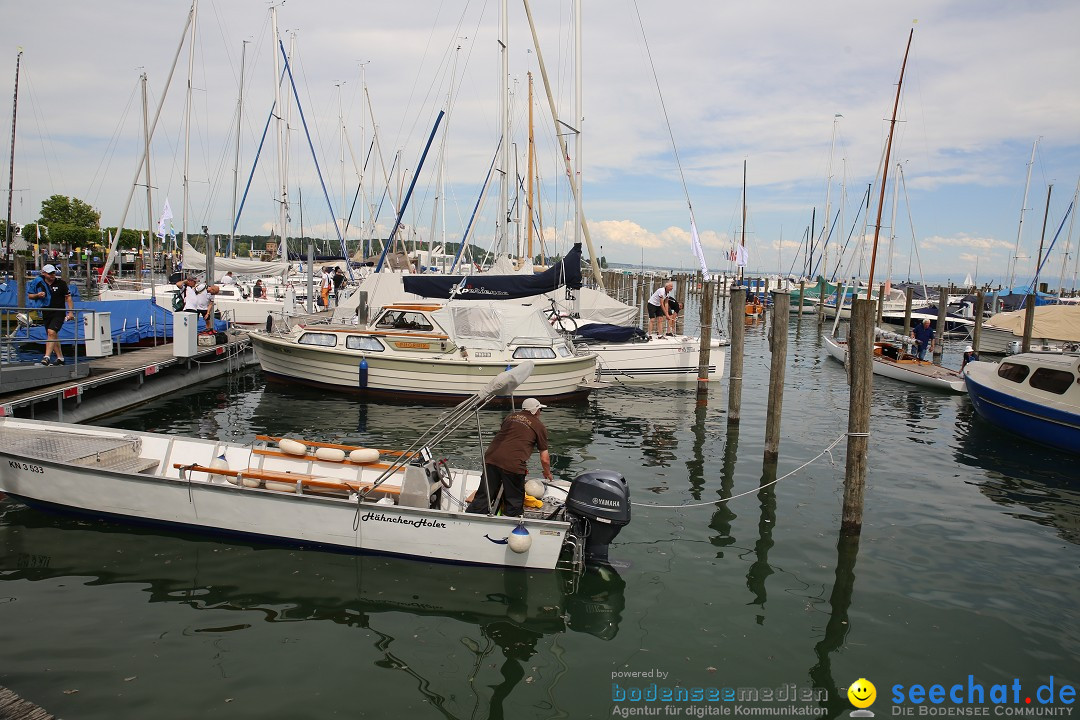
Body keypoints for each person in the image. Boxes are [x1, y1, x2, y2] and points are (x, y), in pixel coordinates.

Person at [467, 398, 553, 517]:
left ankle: (472, 518)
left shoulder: (510, 417)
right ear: (536, 411)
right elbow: (544, 458)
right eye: (540, 410)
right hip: (513, 465)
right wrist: (547, 473)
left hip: (491, 458)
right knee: (514, 501)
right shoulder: (539, 426)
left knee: (484, 496)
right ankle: (511, 524)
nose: (540, 413)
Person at [27, 264, 74, 366]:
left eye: (53, 273)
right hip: (46, 312)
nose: (52, 275)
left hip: (59, 312)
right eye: (49, 273)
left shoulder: (61, 283)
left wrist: (70, 312)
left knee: (51, 332)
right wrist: (37, 295)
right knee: (52, 335)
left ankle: (46, 357)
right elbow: (30, 296)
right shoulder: (39, 283)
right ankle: (60, 358)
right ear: (44, 273)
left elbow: (68, 298)